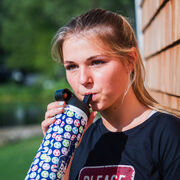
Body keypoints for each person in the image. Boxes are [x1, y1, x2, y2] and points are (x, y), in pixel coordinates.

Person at [41, 8, 180, 180]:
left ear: (130, 60)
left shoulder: (168, 134)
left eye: (96, 62)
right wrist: (60, 154)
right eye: (72, 66)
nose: (83, 79)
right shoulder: (80, 140)